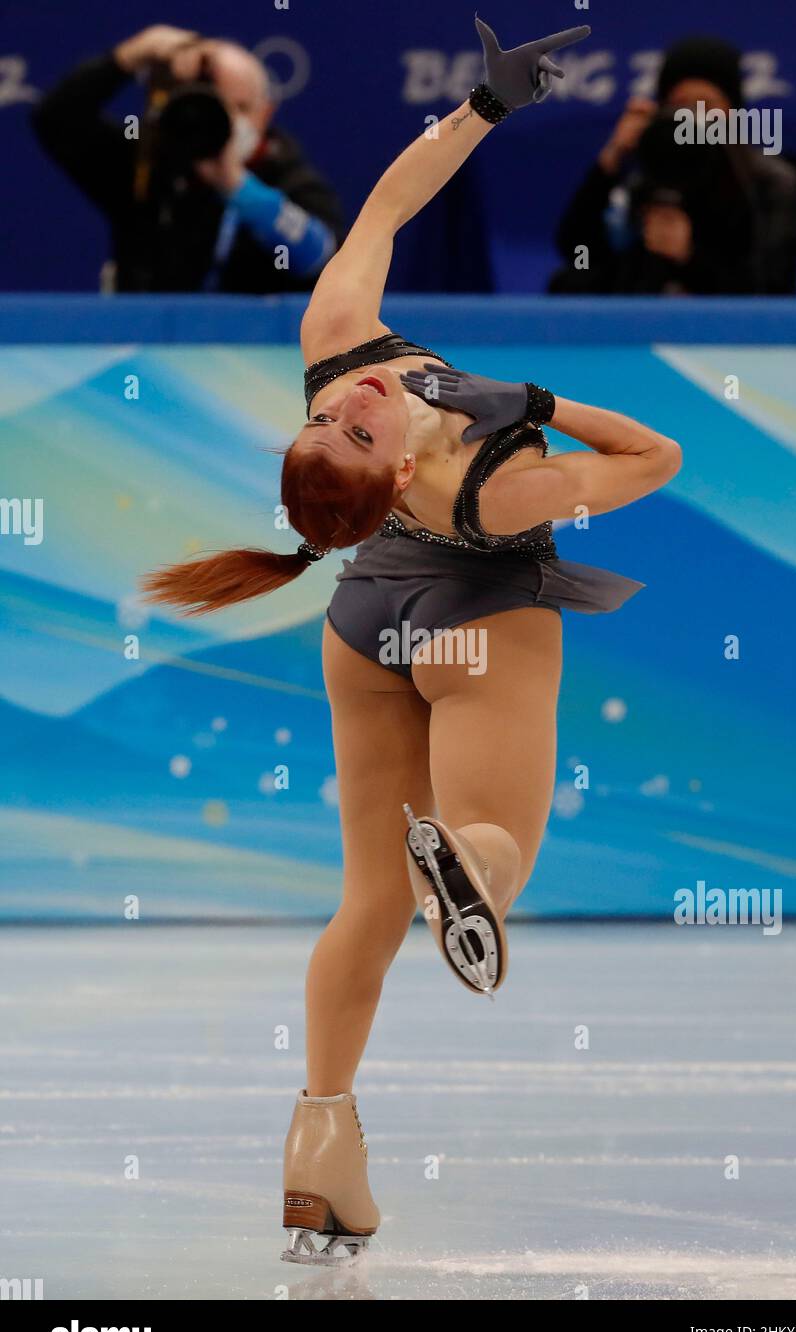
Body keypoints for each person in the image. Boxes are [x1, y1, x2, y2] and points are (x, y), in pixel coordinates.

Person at [142, 17, 681, 1264]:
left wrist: (482, 111)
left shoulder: (338, 340)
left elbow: (383, 205)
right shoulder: (499, 483)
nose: (356, 403)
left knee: (369, 900)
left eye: (332, 414)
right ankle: (474, 872)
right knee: (503, 849)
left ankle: (319, 1151)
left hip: (360, 621)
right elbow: (657, 456)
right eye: (355, 432)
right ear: (382, 486)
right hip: (474, 614)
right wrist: (536, 404)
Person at [30, 25, 342, 293]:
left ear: (266, 113)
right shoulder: (147, 167)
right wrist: (132, 54)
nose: (230, 125)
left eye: (242, 108)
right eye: (216, 107)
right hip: (142, 351)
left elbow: (321, 257)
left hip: (253, 354)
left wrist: (238, 187)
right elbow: (56, 120)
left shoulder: (285, 173)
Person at [549, 35, 796, 295]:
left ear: (733, 111)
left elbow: (773, 285)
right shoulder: (645, 177)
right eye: (680, 105)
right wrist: (611, 159)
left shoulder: (770, 183)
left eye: (706, 105)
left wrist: (691, 257)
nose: (693, 120)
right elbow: (578, 253)